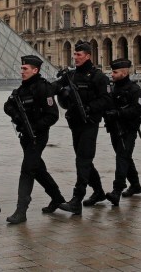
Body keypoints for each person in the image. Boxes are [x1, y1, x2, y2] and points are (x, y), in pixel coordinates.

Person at [2, 55, 66, 224]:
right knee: (37, 169)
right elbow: (7, 106)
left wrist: (35, 126)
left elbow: (53, 116)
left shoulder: (44, 89)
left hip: (38, 136)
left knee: (27, 170)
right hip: (25, 136)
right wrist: (17, 116)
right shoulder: (21, 90)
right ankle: (57, 198)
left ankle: (21, 211)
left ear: (35, 70)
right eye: (22, 68)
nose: (22, 71)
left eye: (25, 69)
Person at [53, 40, 112, 214]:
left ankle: (76, 200)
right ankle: (99, 192)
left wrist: (89, 107)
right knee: (84, 160)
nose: (75, 57)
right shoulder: (70, 76)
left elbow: (107, 100)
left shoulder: (99, 77)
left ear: (88, 55)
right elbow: (56, 86)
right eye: (74, 54)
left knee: (82, 160)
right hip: (75, 124)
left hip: (90, 124)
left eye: (79, 54)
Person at [103, 58, 141, 206]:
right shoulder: (112, 88)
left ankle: (117, 191)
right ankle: (135, 185)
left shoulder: (136, 91)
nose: (111, 74)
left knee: (121, 157)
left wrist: (119, 113)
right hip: (114, 129)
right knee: (125, 157)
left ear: (124, 72)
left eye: (114, 72)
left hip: (128, 130)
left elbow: (137, 110)